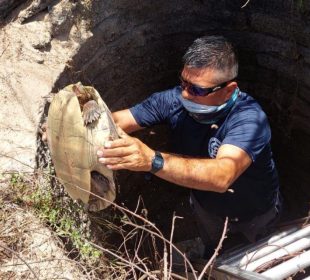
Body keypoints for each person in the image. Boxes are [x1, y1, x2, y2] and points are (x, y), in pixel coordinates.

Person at [96, 35, 282, 258]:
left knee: (265, 256)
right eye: (184, 82)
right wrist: (75, 126)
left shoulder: (249, 119)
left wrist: (151, 160)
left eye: (197, 90)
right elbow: (115, 121)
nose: (185, 93)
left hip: (257, 211)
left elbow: (223, 175)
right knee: (216, 249)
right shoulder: (172, 100)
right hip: (207, 207)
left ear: (228, 90)